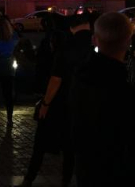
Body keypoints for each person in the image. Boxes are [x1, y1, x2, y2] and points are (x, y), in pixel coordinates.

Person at [71, 12, 135, 187]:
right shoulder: (127, 92)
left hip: (86, 168)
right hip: (119, 173)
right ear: (128, 41)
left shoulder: (80, 79)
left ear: (94, 40)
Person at [21, 13, 93, 187]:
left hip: (59, 103)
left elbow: (56, 78)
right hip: (81, 104)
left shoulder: (67, 47)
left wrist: (45, 103)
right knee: (70, 149)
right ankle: (65, 181)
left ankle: (29, 179)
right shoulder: (93, 46)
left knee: (40, 143)